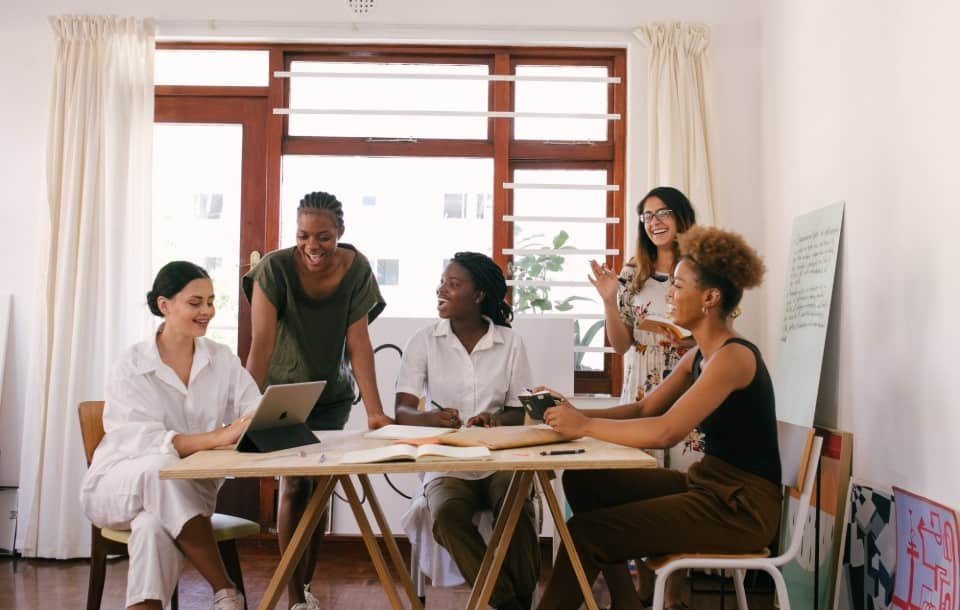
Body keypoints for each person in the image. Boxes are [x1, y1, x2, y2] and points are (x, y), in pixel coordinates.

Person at [537, 227, 781, 610]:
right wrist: (570, 411)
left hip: (739, 511)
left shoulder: (733, 357)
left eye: (678, 287)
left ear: (710, 298)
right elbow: (643, 410)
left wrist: (583, 427)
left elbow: (666, 432)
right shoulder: (699, 354)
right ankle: (626, 602)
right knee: (586, 484)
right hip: (707, 487)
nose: (668, 294)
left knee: (586, 532)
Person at [80, 261, 260, 610]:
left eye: (211, 301)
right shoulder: (131, 363)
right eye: (196, 302)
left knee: (151, 528)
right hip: (117, 485)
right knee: (159, 467)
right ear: (165, 305)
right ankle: (225, 590)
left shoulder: (221, 359)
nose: (207, 311)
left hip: (189, 493)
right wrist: (217, 438)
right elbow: (145, 441)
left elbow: (253, 406)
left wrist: (254, 422)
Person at [243, 190, 392, 609]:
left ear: (340, 233)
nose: (313, 246)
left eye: (324, 236)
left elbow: (359, 342)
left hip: (331, 395)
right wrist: (244, 407)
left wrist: (375, 411)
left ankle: (304, 589)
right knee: (293, 486)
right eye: (304, 235)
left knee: (320, 489)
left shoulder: (356, 268)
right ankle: (292, 595)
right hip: (283, 393)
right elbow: (261, 345)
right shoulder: (274, 269)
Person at [395, 252, 540, 610]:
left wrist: (493, 421)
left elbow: (517, 410)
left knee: (517, 506)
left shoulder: (510, 342)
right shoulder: (424, 340)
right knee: (446, 516)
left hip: (497, 458)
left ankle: (512, 600)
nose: (440, 289)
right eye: (442, 281)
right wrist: (432, 418)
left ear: (478, 296)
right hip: (447, 460)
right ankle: (510, 603)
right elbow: (402, 410)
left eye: (452, 283)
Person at [588, 186, 696, 403]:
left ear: (682, 216)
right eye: (647, 216)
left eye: (663, 213)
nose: (654, 222)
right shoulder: (633, 271)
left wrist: (688, 343)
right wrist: (609, 301)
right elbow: (621, 346)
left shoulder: (701, 268)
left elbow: (722, 337)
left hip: (688, 381)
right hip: (640, 388)